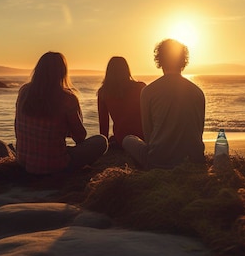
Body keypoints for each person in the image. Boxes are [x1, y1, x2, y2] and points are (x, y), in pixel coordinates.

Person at [14, 52, 108, 175]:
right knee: (100, 141)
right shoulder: (67, 98)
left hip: (23, 163)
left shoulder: (24, 92)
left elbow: (17, 128)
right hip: (55, 167)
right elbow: (79, 137)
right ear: (62, 72)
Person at [122, 39, 206, 169]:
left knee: (128, 140)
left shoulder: (149, 91)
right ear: (183, 62)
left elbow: (148, 134)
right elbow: (198, 131)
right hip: (194, 161)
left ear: (160, 61)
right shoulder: (198, 92)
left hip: (159, 162)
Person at [97, 56, 146, 148]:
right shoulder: (140, 87)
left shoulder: (104, 92)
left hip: (122, 139)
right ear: (127, 70)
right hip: (143, 137)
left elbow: (104, 124)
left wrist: (105, 145)